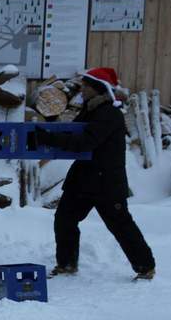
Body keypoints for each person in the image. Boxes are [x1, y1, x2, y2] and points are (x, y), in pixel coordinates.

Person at [36, 67, 156, 281]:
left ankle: (145, 267)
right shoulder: (90, 110)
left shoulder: (108, 114)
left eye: (86, 85)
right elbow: (75, 133)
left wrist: (49, 139)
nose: (82, 88)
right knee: (64, 219)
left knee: (120, 224)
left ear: (97, 88)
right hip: (83, 179)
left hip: (106, 183)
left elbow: (85, 142)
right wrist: (52, 132)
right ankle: (66, 264)